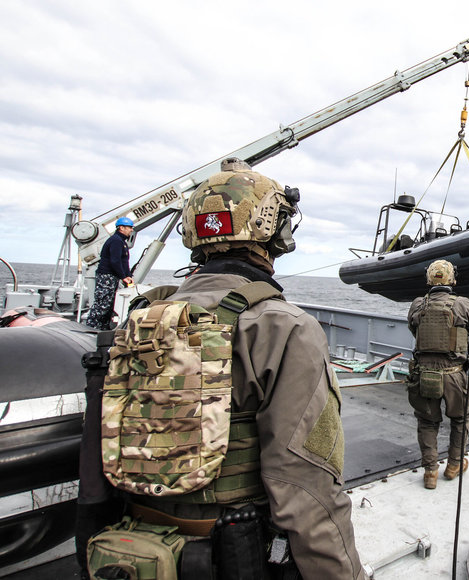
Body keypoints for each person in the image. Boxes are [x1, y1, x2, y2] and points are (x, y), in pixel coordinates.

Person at [79, 158, 364, 578]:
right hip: (230, 555)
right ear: (272, 229)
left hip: (128, 552)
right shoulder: (284, 327)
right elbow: (306, 487)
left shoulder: (141, 317)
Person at [407, 259, 469, 490]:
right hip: (454, 375)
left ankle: (430, 472)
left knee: (427, 422)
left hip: (423, 375)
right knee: (461, 419)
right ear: (453, 278)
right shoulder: (462, 304)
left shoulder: (417, 305)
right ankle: (454, 466)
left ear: (428, 278)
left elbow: (414, 330)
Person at [85, 217, 134, 330]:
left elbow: (123, 262)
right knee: (102, 304)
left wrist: (128, 276)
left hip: (112, 277)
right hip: (106, 277)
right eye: (130, 227)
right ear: (121, 228)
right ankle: (91, 328)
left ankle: (102, 329)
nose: (131, 230)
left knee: (109, 305)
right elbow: (115, 261)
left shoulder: (121, 242)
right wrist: (123, 277)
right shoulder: (116, 241)